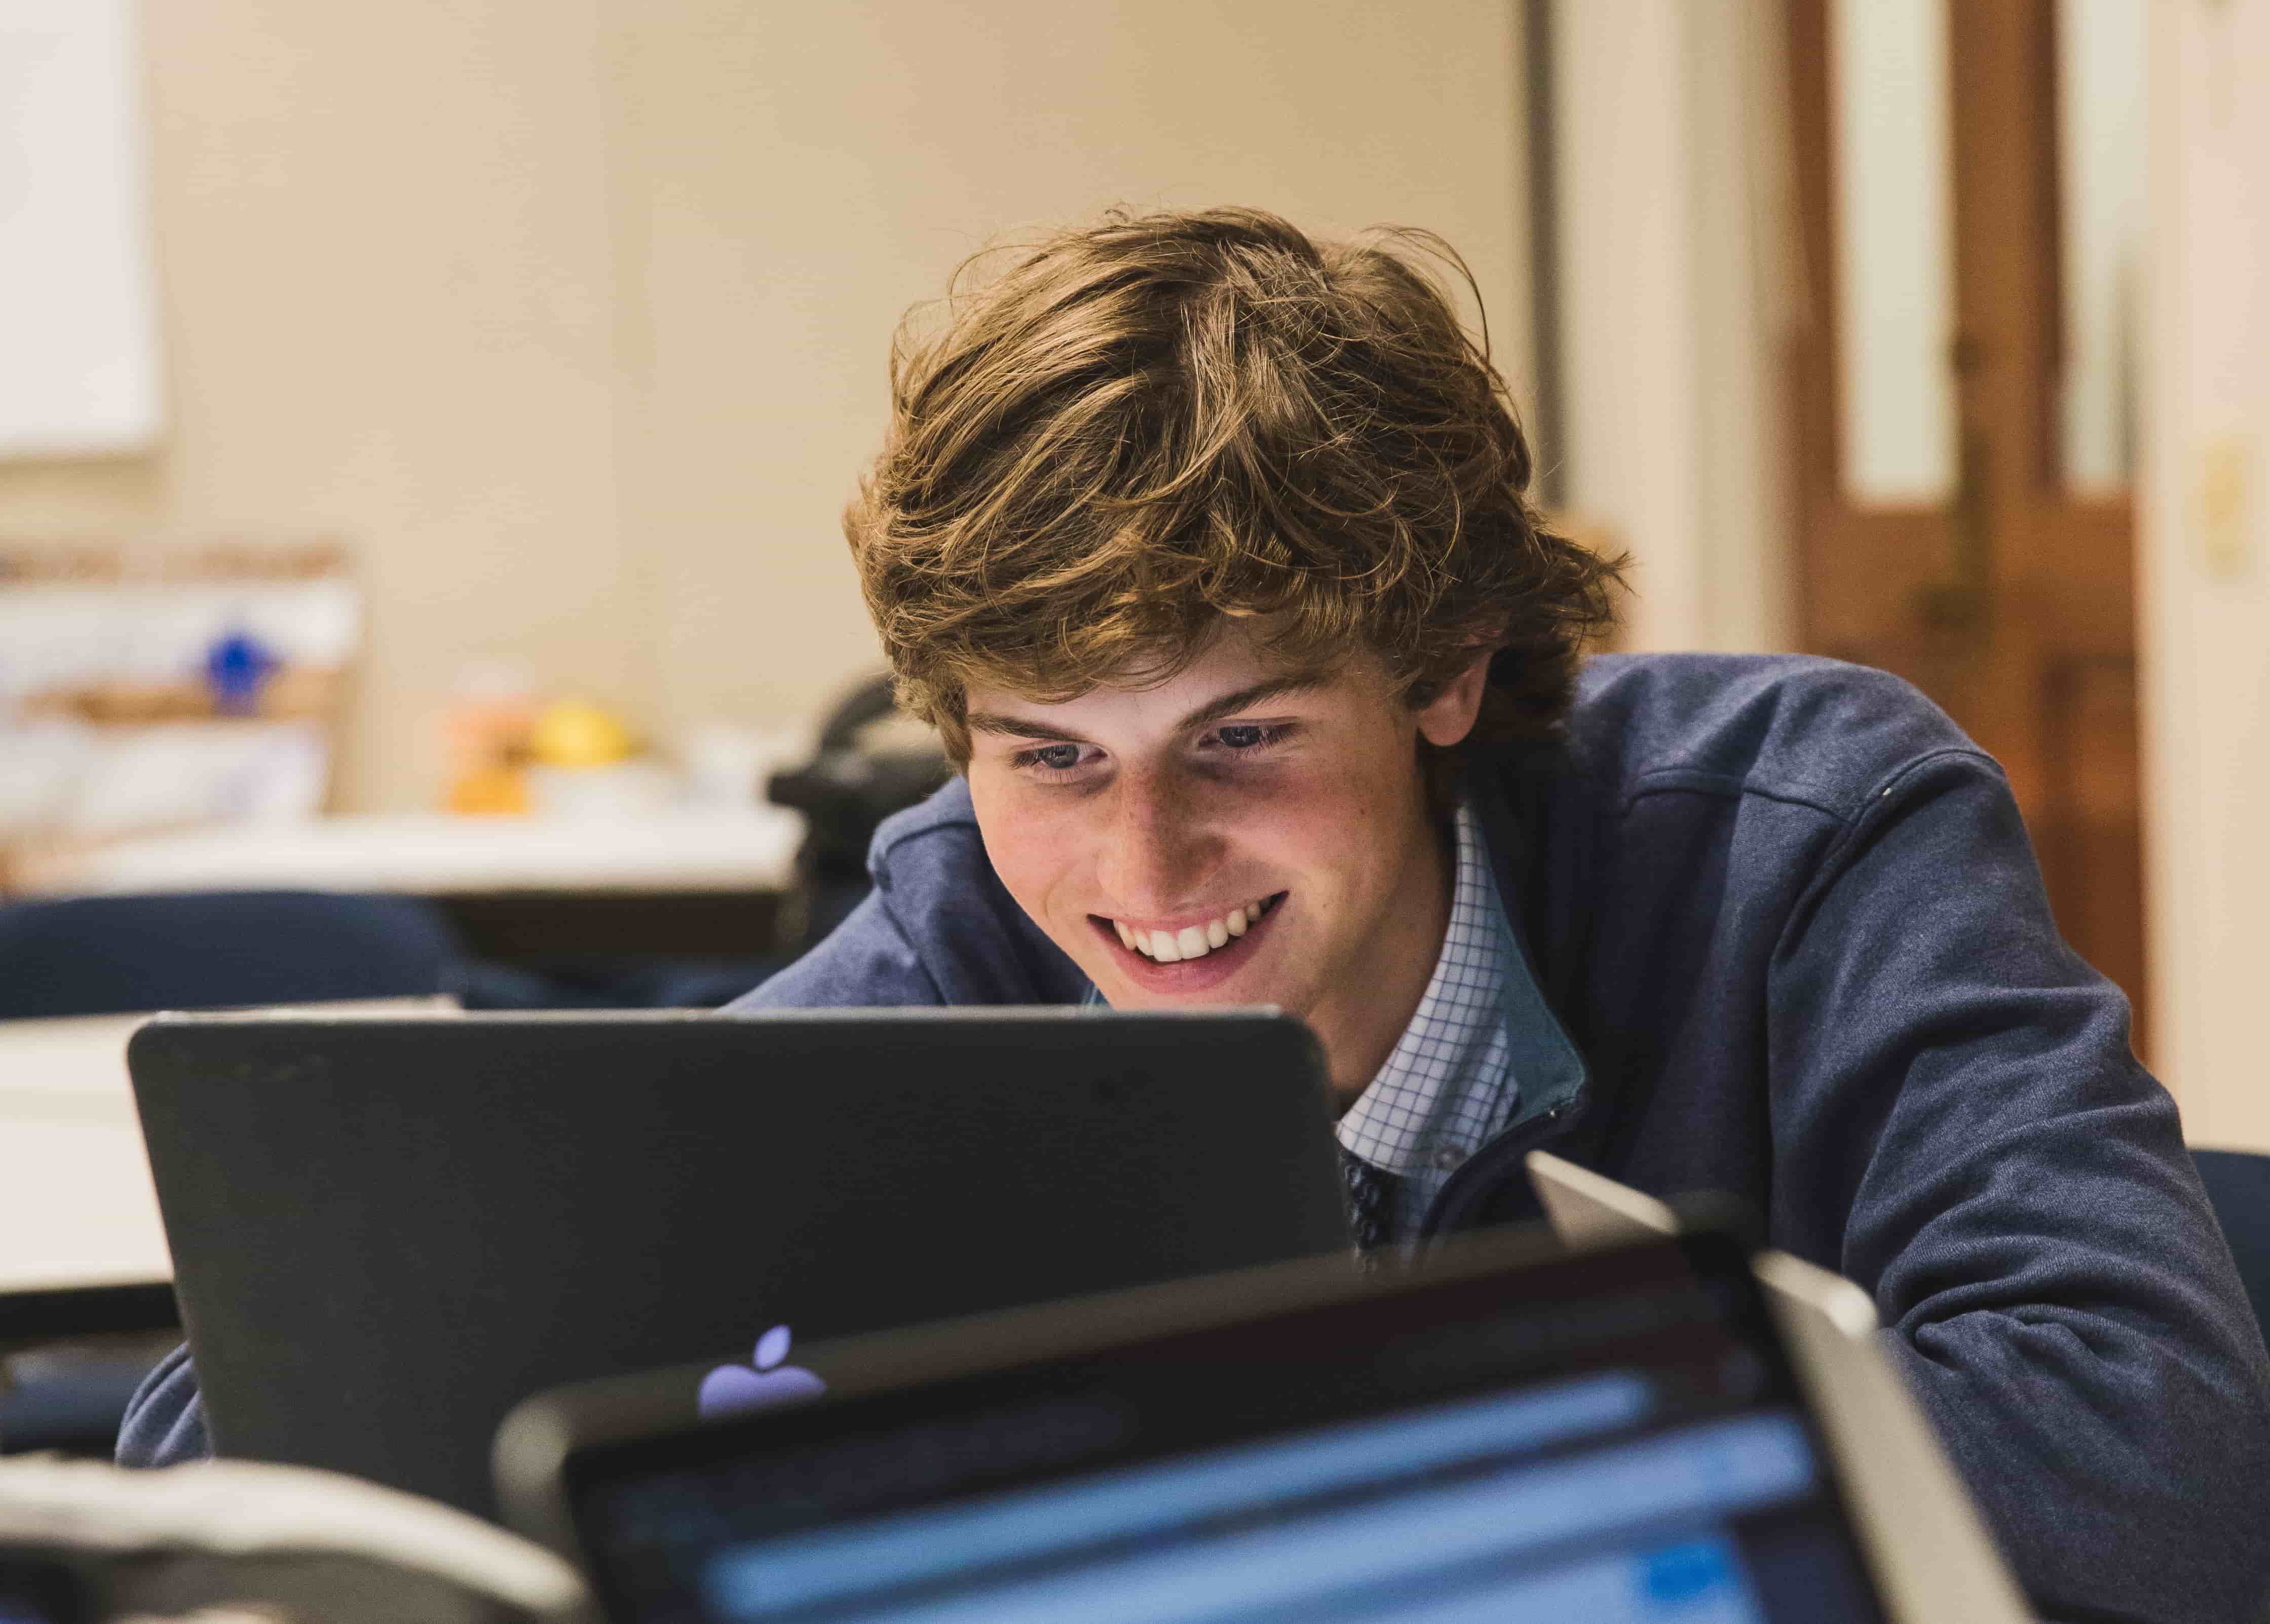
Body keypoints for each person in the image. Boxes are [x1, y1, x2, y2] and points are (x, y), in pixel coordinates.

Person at [121, 207, 2268, 1623]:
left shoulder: (1795, 837)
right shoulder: (968, 930)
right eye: (1047, 748)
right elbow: (249, 1441)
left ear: (1441, 671)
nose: (1135, 878)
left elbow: (2155, 1474)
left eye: (1239, 740)